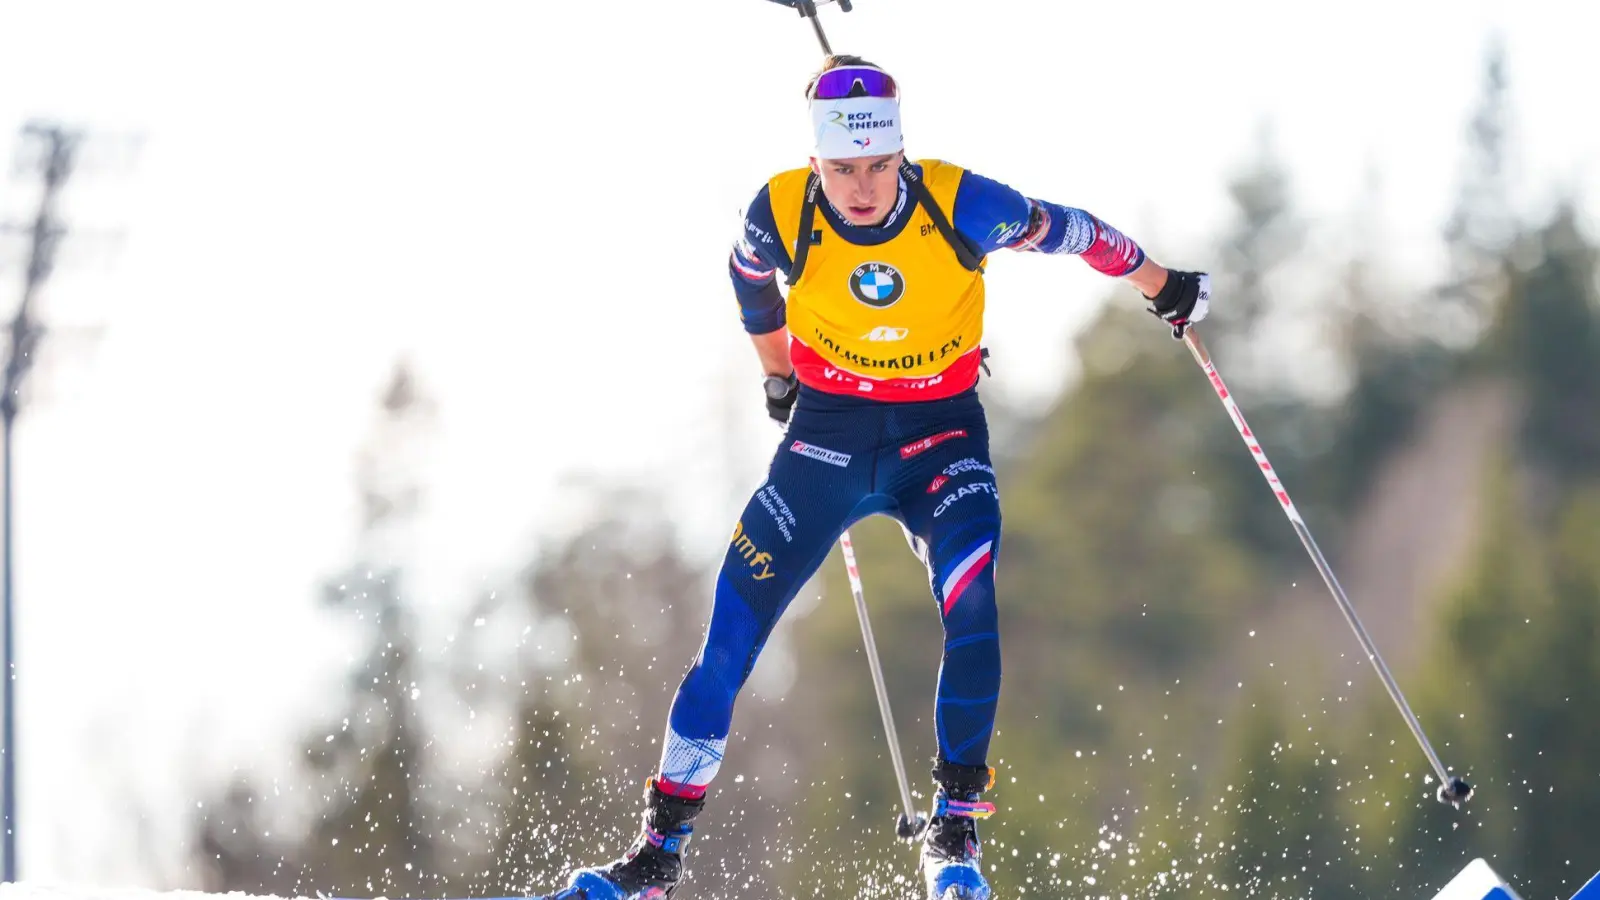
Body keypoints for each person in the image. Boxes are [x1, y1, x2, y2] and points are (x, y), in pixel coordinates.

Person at [534, 54, 1211, 900]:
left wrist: (1163, 284)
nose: (862, 188)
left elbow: (1072, 228)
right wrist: (778, 373)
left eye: (879, 167)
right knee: (727, 642)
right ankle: (654, 861)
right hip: (827, 438)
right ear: (815, 161)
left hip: (941, 439)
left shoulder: (961, 203)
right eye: (843, 169)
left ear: (903, 154)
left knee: (973, 604)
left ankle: (954, 838)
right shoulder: (779, 211)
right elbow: (748, 281)